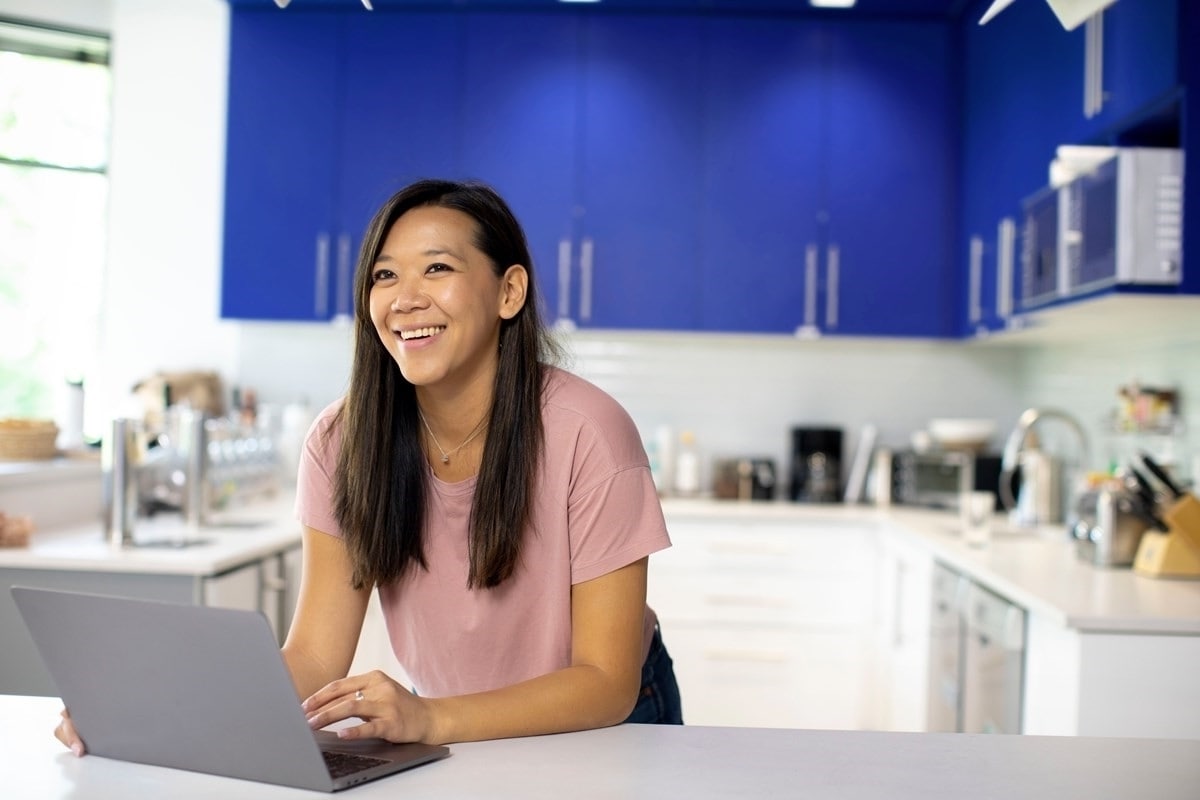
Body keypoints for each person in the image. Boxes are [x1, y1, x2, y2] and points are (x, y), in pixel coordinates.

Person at [55, 178, 681, 755]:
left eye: (437, 268)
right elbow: (314, 657)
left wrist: (431, 719)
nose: (405, 299)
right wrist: (150, 710)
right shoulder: (342, 441)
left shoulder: (588, 432)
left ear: (508, 291)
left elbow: (606, 682)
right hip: (457, 726)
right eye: (384, 276)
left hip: (604, 723)